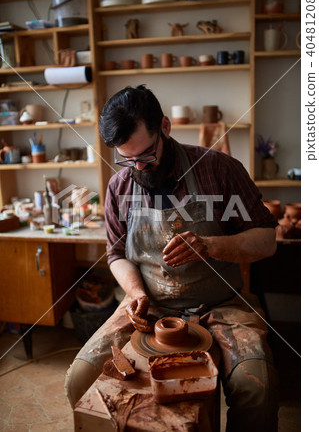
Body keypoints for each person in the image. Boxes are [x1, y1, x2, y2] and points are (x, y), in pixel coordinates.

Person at [65, 85, 278, 431]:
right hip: (151, 307)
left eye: (146, 156)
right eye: (126, 158)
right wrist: (135, 293)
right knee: (80, 377)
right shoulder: (119, 186)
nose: (138, 167)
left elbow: (267, 240)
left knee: (256, 385)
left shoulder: (219, 169)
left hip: (221, 303)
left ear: (165, 126)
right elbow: (116, 253)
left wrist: (210, 246)